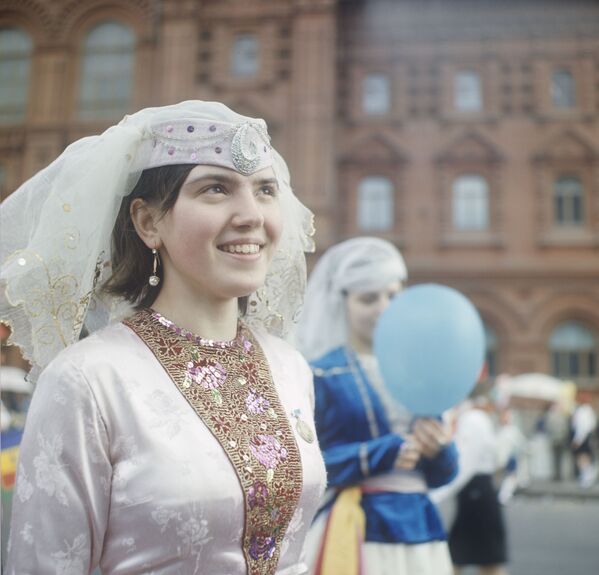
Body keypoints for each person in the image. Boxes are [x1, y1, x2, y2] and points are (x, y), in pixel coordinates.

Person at [1, 101, 326, 574]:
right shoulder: (89, 381)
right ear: (148, 222)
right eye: (216, 189)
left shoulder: (289, 367)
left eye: (265, 190)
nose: (251, 214)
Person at [296, 237, 459, 575]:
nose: (384, 307)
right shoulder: (323, 372)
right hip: (356, 527)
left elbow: (442, 475)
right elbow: (307, 465)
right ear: (343, 302)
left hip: (420, 529)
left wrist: (440, 450)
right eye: (369, 299)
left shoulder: (420, 371)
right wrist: (381, 452)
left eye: (392, 296)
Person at [431, 396, 509, 575]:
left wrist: (438, 494)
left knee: (466, 558)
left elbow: (465, 465)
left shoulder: (472, 420)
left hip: (476, 493)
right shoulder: (476, 419)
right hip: (479, 492)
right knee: (483, 559)